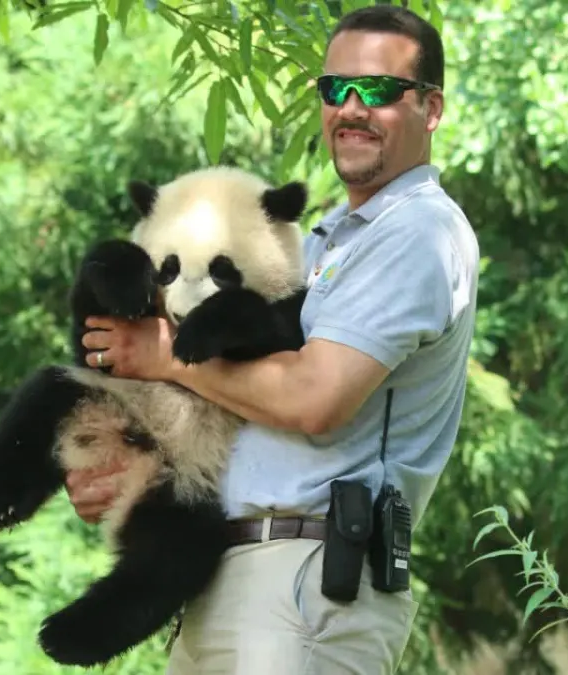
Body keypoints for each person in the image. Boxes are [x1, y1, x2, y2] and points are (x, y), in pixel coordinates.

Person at [72, 5, 480, 673]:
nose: (351, 107)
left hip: (307, 579)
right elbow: (229, 405)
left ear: (430, 108)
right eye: (334, 88)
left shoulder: (418, 232)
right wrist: (115, 470)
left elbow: (315, 397)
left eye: (377, 89)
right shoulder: (322, 241)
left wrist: (163, 354)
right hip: (225, 575)